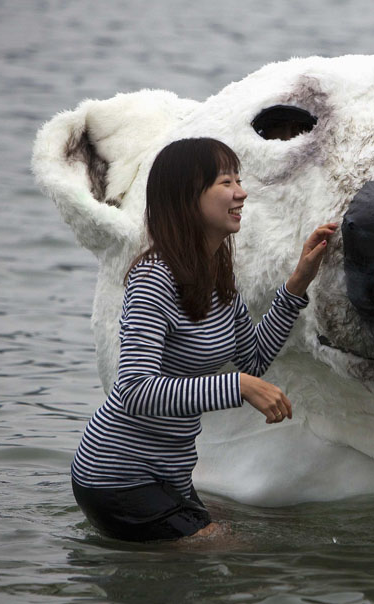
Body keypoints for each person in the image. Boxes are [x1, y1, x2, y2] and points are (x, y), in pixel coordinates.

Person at [70, 137, 337, 542]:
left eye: (239, 180)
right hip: (116, 475)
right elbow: (136, 391)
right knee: (236, 556)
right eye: (225, 182)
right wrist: (238, 387)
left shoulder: (215, 276)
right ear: (186, 197)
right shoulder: (153, 279)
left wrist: (298, 284)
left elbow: (253, 358)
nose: (241, 192)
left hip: (169, 472)